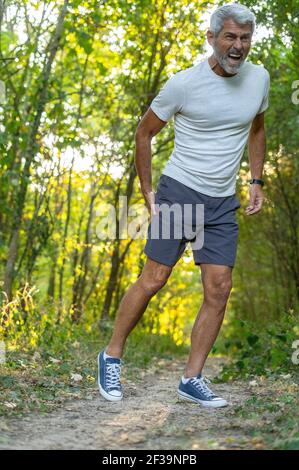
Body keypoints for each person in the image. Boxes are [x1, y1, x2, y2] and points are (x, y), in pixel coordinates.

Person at [98, 3, 270, 408]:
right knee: (155, 278)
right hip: (181, 193)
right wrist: (147, 191)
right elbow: (144, 134)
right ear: (211, 38)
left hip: (222, 201)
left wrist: (256, 179)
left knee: (219, 288)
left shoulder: (259, 78)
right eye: (229, 37)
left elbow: (258, 126)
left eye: (245, 38)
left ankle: (192, 378)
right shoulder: (183, 84)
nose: (238, 46)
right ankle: (111, 355)